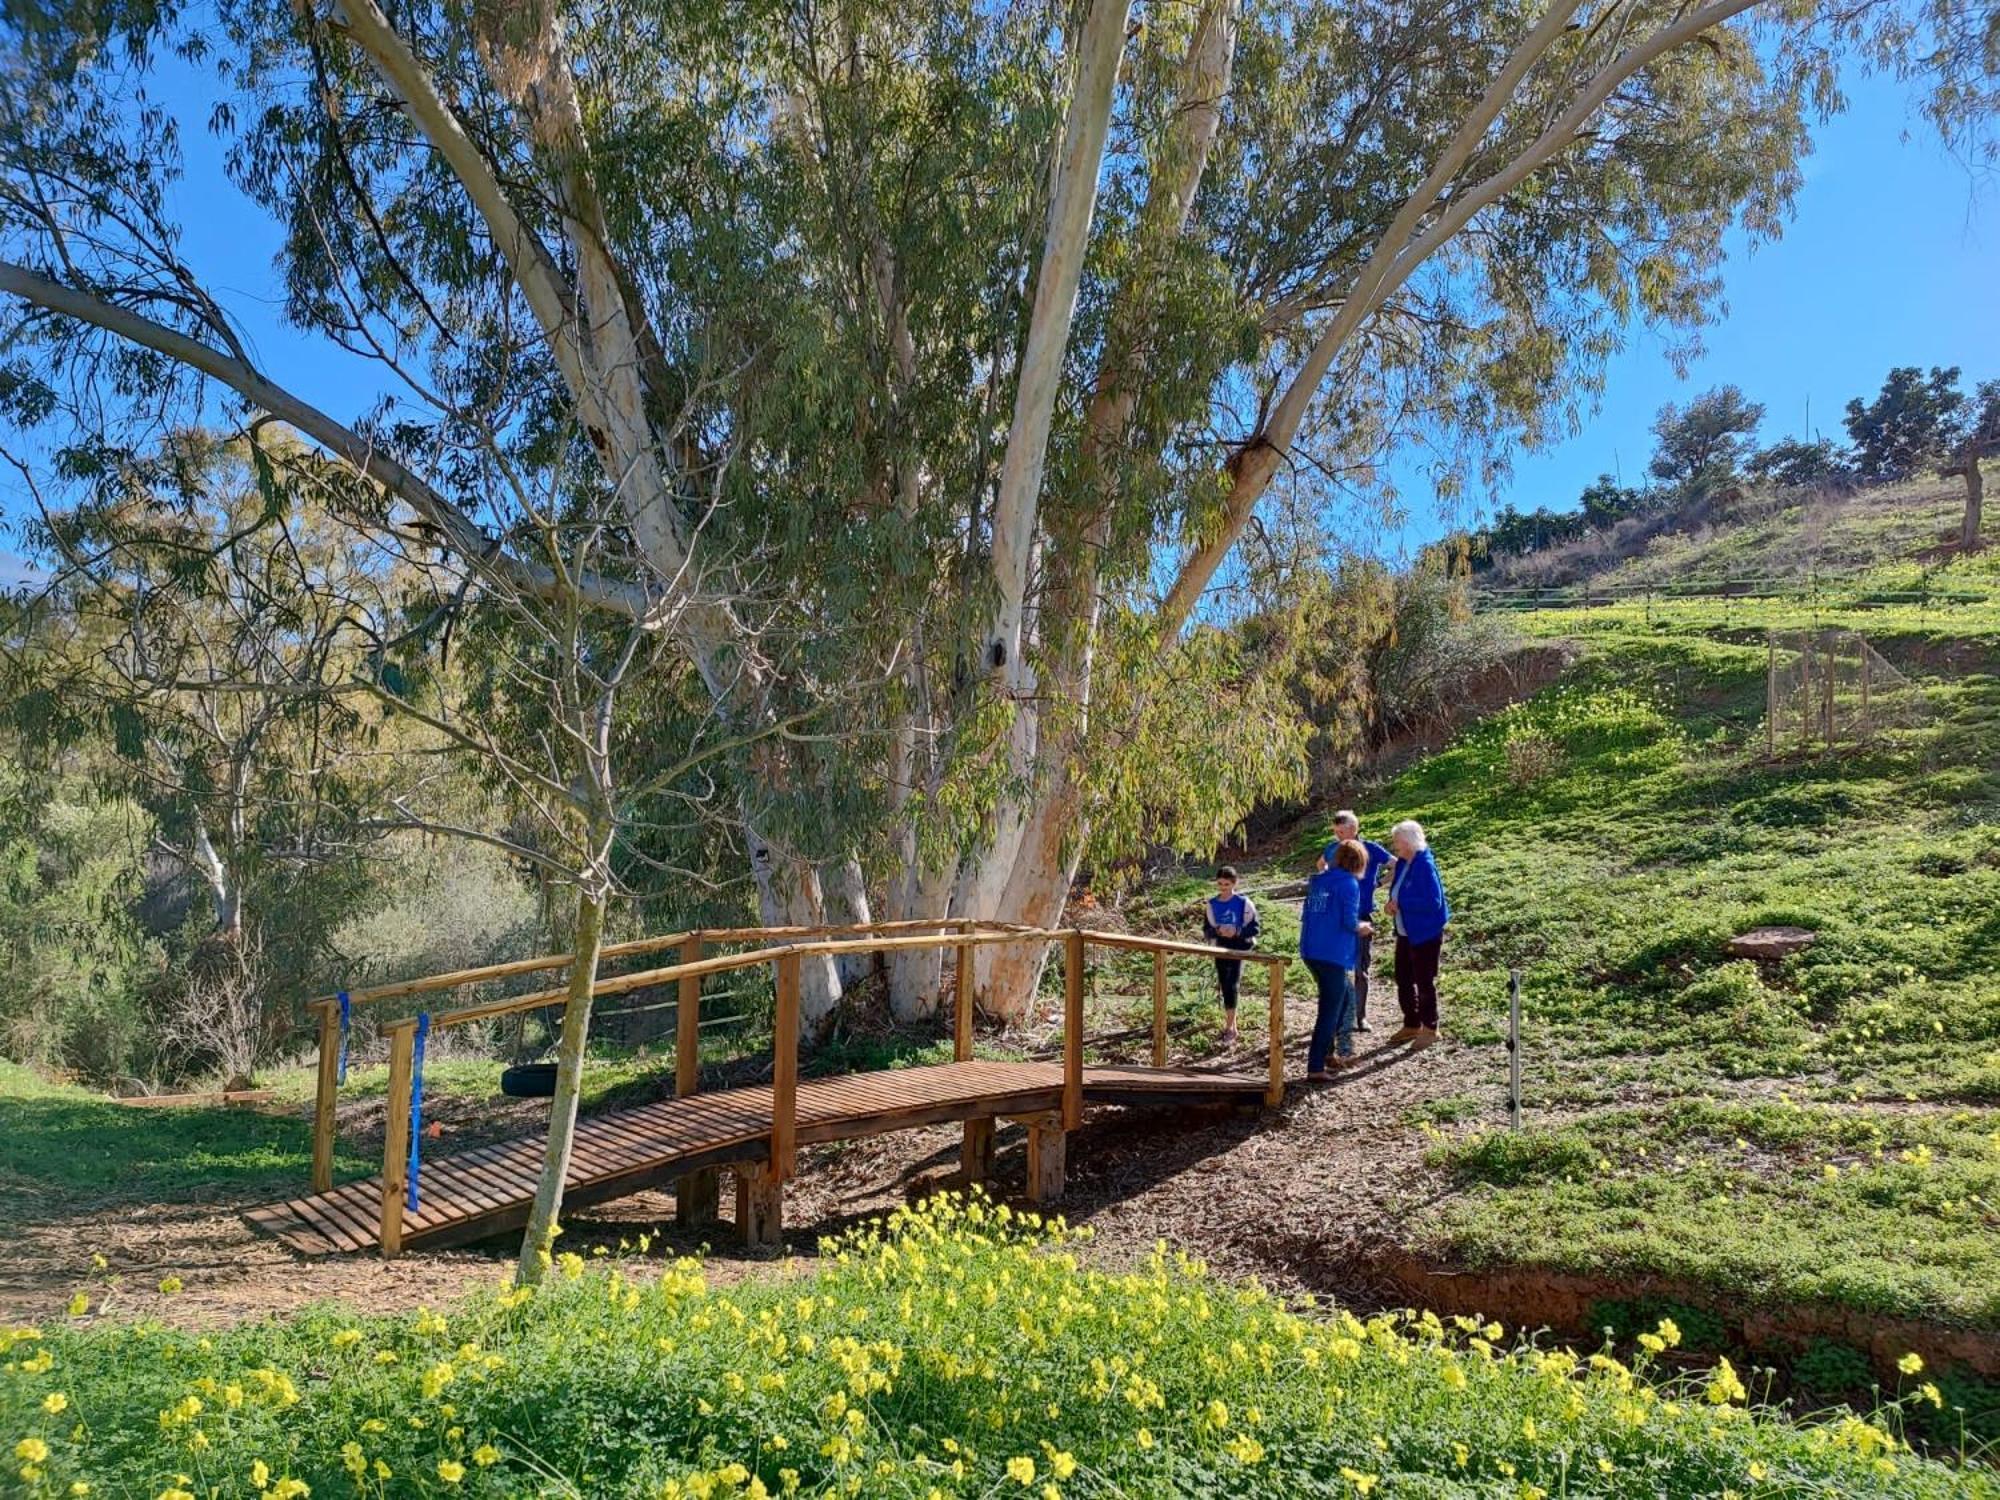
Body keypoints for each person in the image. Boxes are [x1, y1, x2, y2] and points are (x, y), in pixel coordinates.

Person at [1299, 839, 1373, 1079]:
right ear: (1358, 862)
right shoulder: (1349, 884)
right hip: (1331, 953)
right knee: (1330, 1009)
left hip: (1311, 950)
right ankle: (1315, 1067)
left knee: (1343, 998)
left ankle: (1327, 1054)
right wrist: (1364, 927)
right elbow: (1349, 922)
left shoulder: (1319, 881)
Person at [1383, 818, 1450, 1047]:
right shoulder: (1403, 863)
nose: (1395, 847)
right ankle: (1411, 1023)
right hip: (1405, 931)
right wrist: (1390, 903)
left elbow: (1433, 901)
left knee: (1423, 980)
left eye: (1397, 842)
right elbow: (1397, 892)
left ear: (1409, 842)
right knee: (1403, 978)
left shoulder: (1424, 865)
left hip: (1425, 932)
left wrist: (1402, 903)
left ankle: (1430, 1028)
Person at [1325, 811, 1391, 1030]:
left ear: (1354, 829)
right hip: (1336, 918)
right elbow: (1321, 865)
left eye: (1342, 832)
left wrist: (1379, 883)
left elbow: (1396, 864)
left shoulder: (1371, 848)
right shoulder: (1333, 849)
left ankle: (1360, 1017)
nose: (1338, 836)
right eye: (1335, 832)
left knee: (1361, 969)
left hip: (1362, 916)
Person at [1201, 865, 1259, 1047]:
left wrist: (1236, 931)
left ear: (1234, 883)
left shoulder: (1244, 903)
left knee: (1233, 982)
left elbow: (1255, 928)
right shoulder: (1212, 904)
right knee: (1224, 983)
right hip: (1221, 946)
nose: (1223, 888)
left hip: (1239, 946)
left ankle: (1231, 1028)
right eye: (1220, 884)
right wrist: (1218, 930)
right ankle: (1231, 1023)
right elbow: (1207, 929)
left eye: (1226, 884)